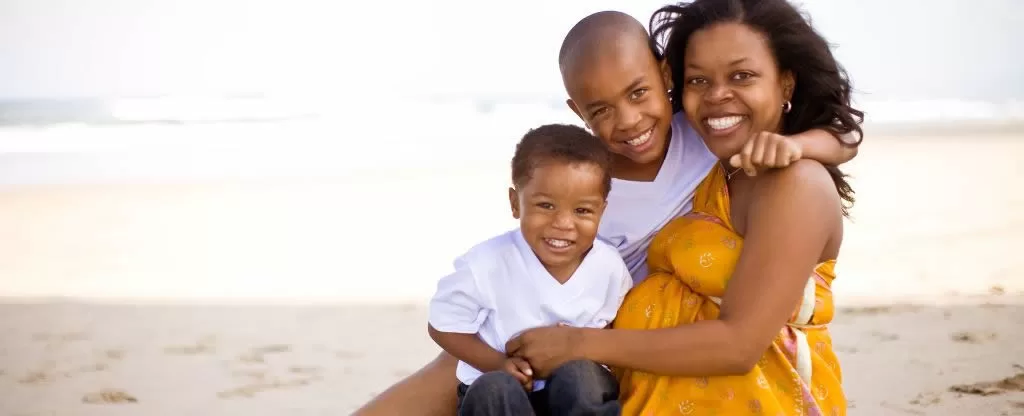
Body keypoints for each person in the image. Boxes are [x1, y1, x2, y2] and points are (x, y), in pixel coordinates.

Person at [352, 6, 862, 415]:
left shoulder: (703, 135)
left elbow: (844, 135)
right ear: (578, 112)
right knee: (457, 370)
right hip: (576, 323)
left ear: (662, 76)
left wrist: (803, 144)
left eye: (639, 93)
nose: (630, 120)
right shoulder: (593, 178)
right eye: (601, 110)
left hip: (614, 351)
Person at [504, 0, 861, 414]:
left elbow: (739, 345)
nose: (717, 95)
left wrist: (579, 344)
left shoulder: (796, 183)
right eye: (699, 80)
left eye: (742, 76)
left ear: (785, 84)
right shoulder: (716, 165)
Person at [427, 124, 630, 416]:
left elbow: (609, 329)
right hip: (502, 391)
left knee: (582, 377)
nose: (563, 223)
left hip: (573, 394)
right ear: (515, 203)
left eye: (582, 210)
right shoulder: (486, 263)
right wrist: (498, 363)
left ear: (602, 211)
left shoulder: (609, 267)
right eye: (546, 205)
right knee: (495, 388)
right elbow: (443, 325)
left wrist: (578, 344)